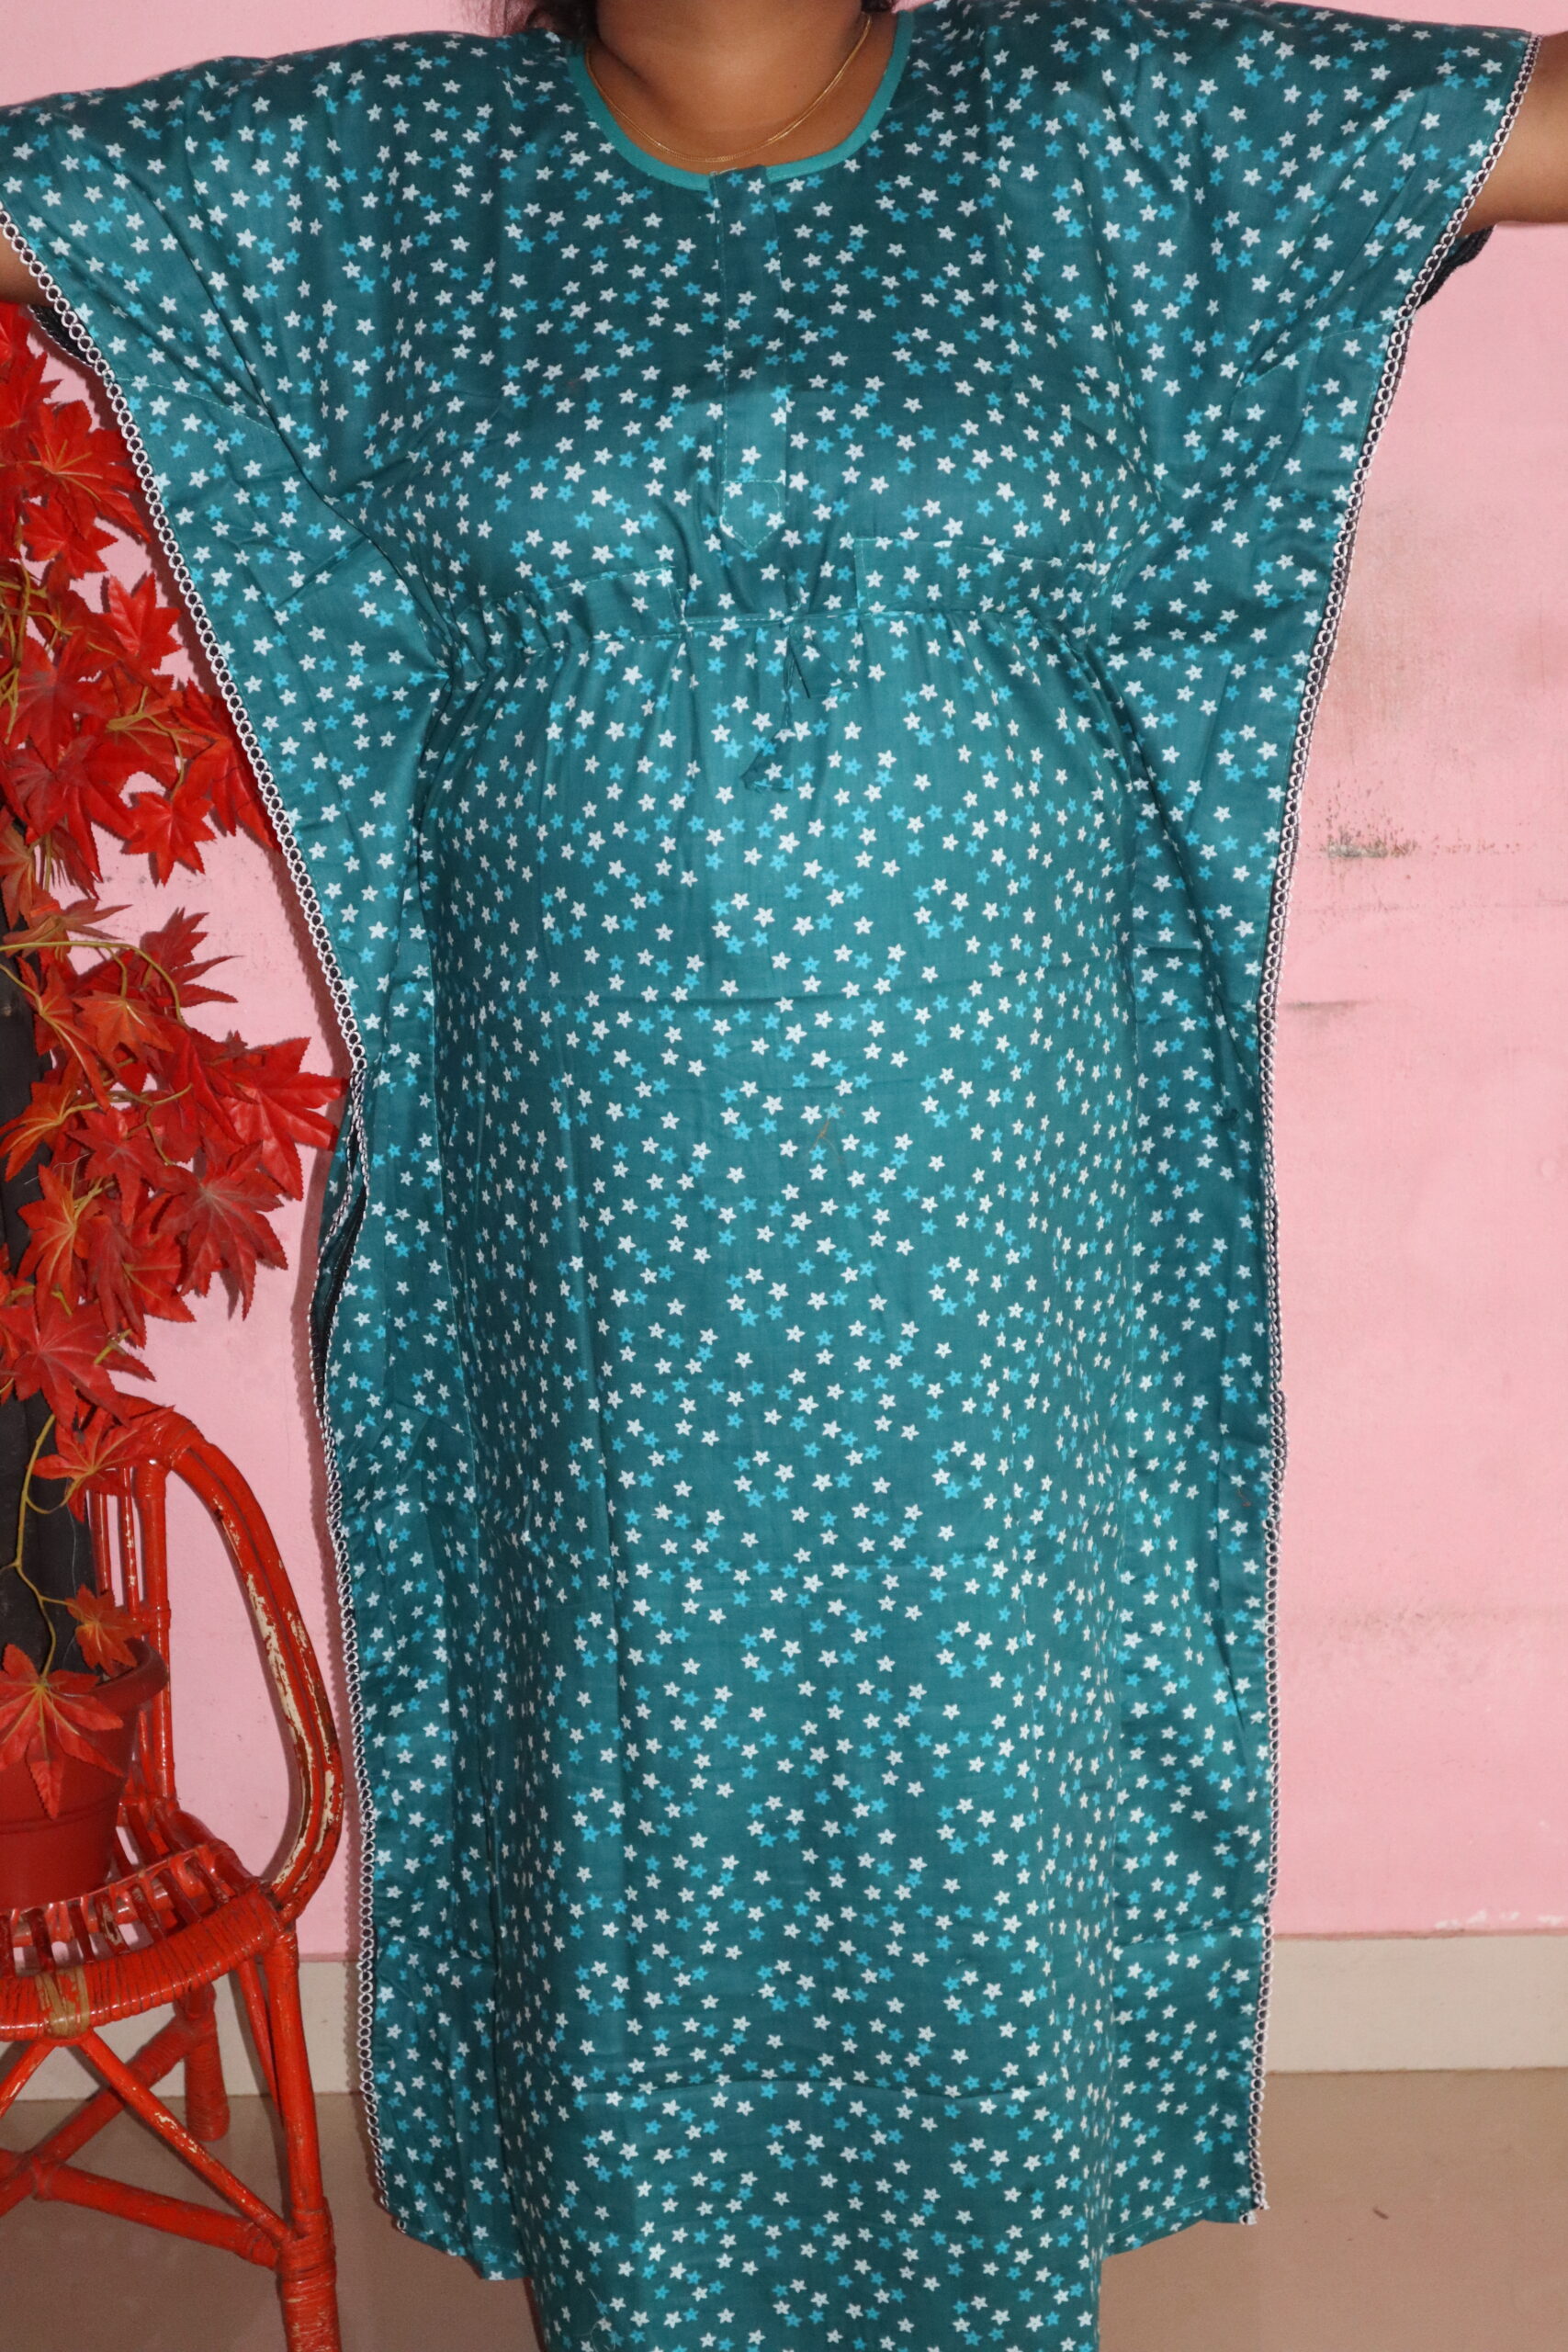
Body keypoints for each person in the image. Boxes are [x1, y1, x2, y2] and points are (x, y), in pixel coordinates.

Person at [0, 4, 1563, 2346]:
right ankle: (654, 2276)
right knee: (638, 1710)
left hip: (996, 1170)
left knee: (968, 1697)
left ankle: (978, 2253)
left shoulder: (1101, 120)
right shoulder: (378, 162)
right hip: (581, 1186)